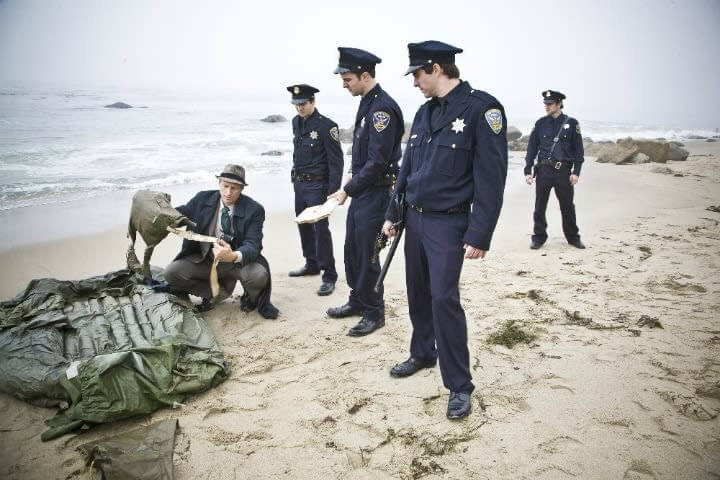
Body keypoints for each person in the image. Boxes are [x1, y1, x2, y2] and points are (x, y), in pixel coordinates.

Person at [382, 41, 507, 419]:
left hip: (450, 223)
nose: (415, 81)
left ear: (436, 68)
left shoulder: (482, 109)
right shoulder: (424, 113)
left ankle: (459, 385)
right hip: (415, 219)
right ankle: (422, 352)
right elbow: (408, 168)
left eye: (418, 73)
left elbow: (492, 176)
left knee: (443, 300)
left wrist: (480, 232)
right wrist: (393, 212)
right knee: (418, 294)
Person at [326, 47, 404, 337]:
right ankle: (357, 300)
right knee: (353, 251)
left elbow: (378, 162)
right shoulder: (367, 102)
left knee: (369, 255)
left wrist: (347, 189)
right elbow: (360, 155)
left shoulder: (382, 108)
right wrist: (348, 180)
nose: (343, 84)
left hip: (377, 193)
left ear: (365, 75)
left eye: (347, 79)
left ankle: (374, 312)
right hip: (363, 192)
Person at [163, 164, 279, 319]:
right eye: (225, 186)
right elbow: (179, 216)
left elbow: (253, 244)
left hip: (237, 262)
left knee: (258, 275)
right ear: (219, 184)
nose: (228, 192)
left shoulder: (255, 210)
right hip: (206, 259)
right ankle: (216, 293)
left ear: (242, 189)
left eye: (234, 188)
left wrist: (232, 256)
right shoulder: (202, 199)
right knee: (171, 273)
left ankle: (250, 299)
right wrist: (159, 213)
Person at [286, 84, 344, 296]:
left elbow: (336, 162)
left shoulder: (326, 126)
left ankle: (329, 275)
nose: (299, 108)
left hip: (318, 186)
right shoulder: (296, 122)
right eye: (296, 104)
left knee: (320, 230)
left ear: (313, 102)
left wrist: (333, 192)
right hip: (300, 185)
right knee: (303, 225)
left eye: (303, 104)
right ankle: (311, 263)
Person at [524, 90, 585, 250]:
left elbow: (579, 151)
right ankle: (538, 237)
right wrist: (527, 170)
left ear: (559, 104)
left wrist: (576, 172)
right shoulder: (540, 123)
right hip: (543, 170)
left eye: (550, 104)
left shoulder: (571, 123)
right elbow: (531, 148)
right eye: (545, 103)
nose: (547, 106)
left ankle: (573, 237)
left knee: (567, 206)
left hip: (563, 172)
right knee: (539, 207)